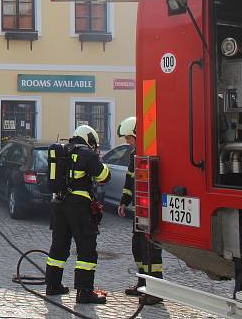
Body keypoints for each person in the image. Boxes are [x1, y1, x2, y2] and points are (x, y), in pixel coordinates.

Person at [45, 124, 111, 304]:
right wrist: (100, 160)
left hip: (58, 204)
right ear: (89, 139)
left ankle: (52, 286)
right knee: (86, 249)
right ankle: (84, 292)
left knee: (58, 246)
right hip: (79, 206)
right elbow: (104, 177)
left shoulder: (63, 150)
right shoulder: (87, 153)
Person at [117, 116, 163, 306]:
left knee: (151, 250)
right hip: (139, 212)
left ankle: (156, 290)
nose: (127, 141)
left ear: (138, 134)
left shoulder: (153, 153)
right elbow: (130, 182)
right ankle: (142, 283)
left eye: (129, 137)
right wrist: (123, 201)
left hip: (151, 210)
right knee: (137, 246)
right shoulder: (134, 155)